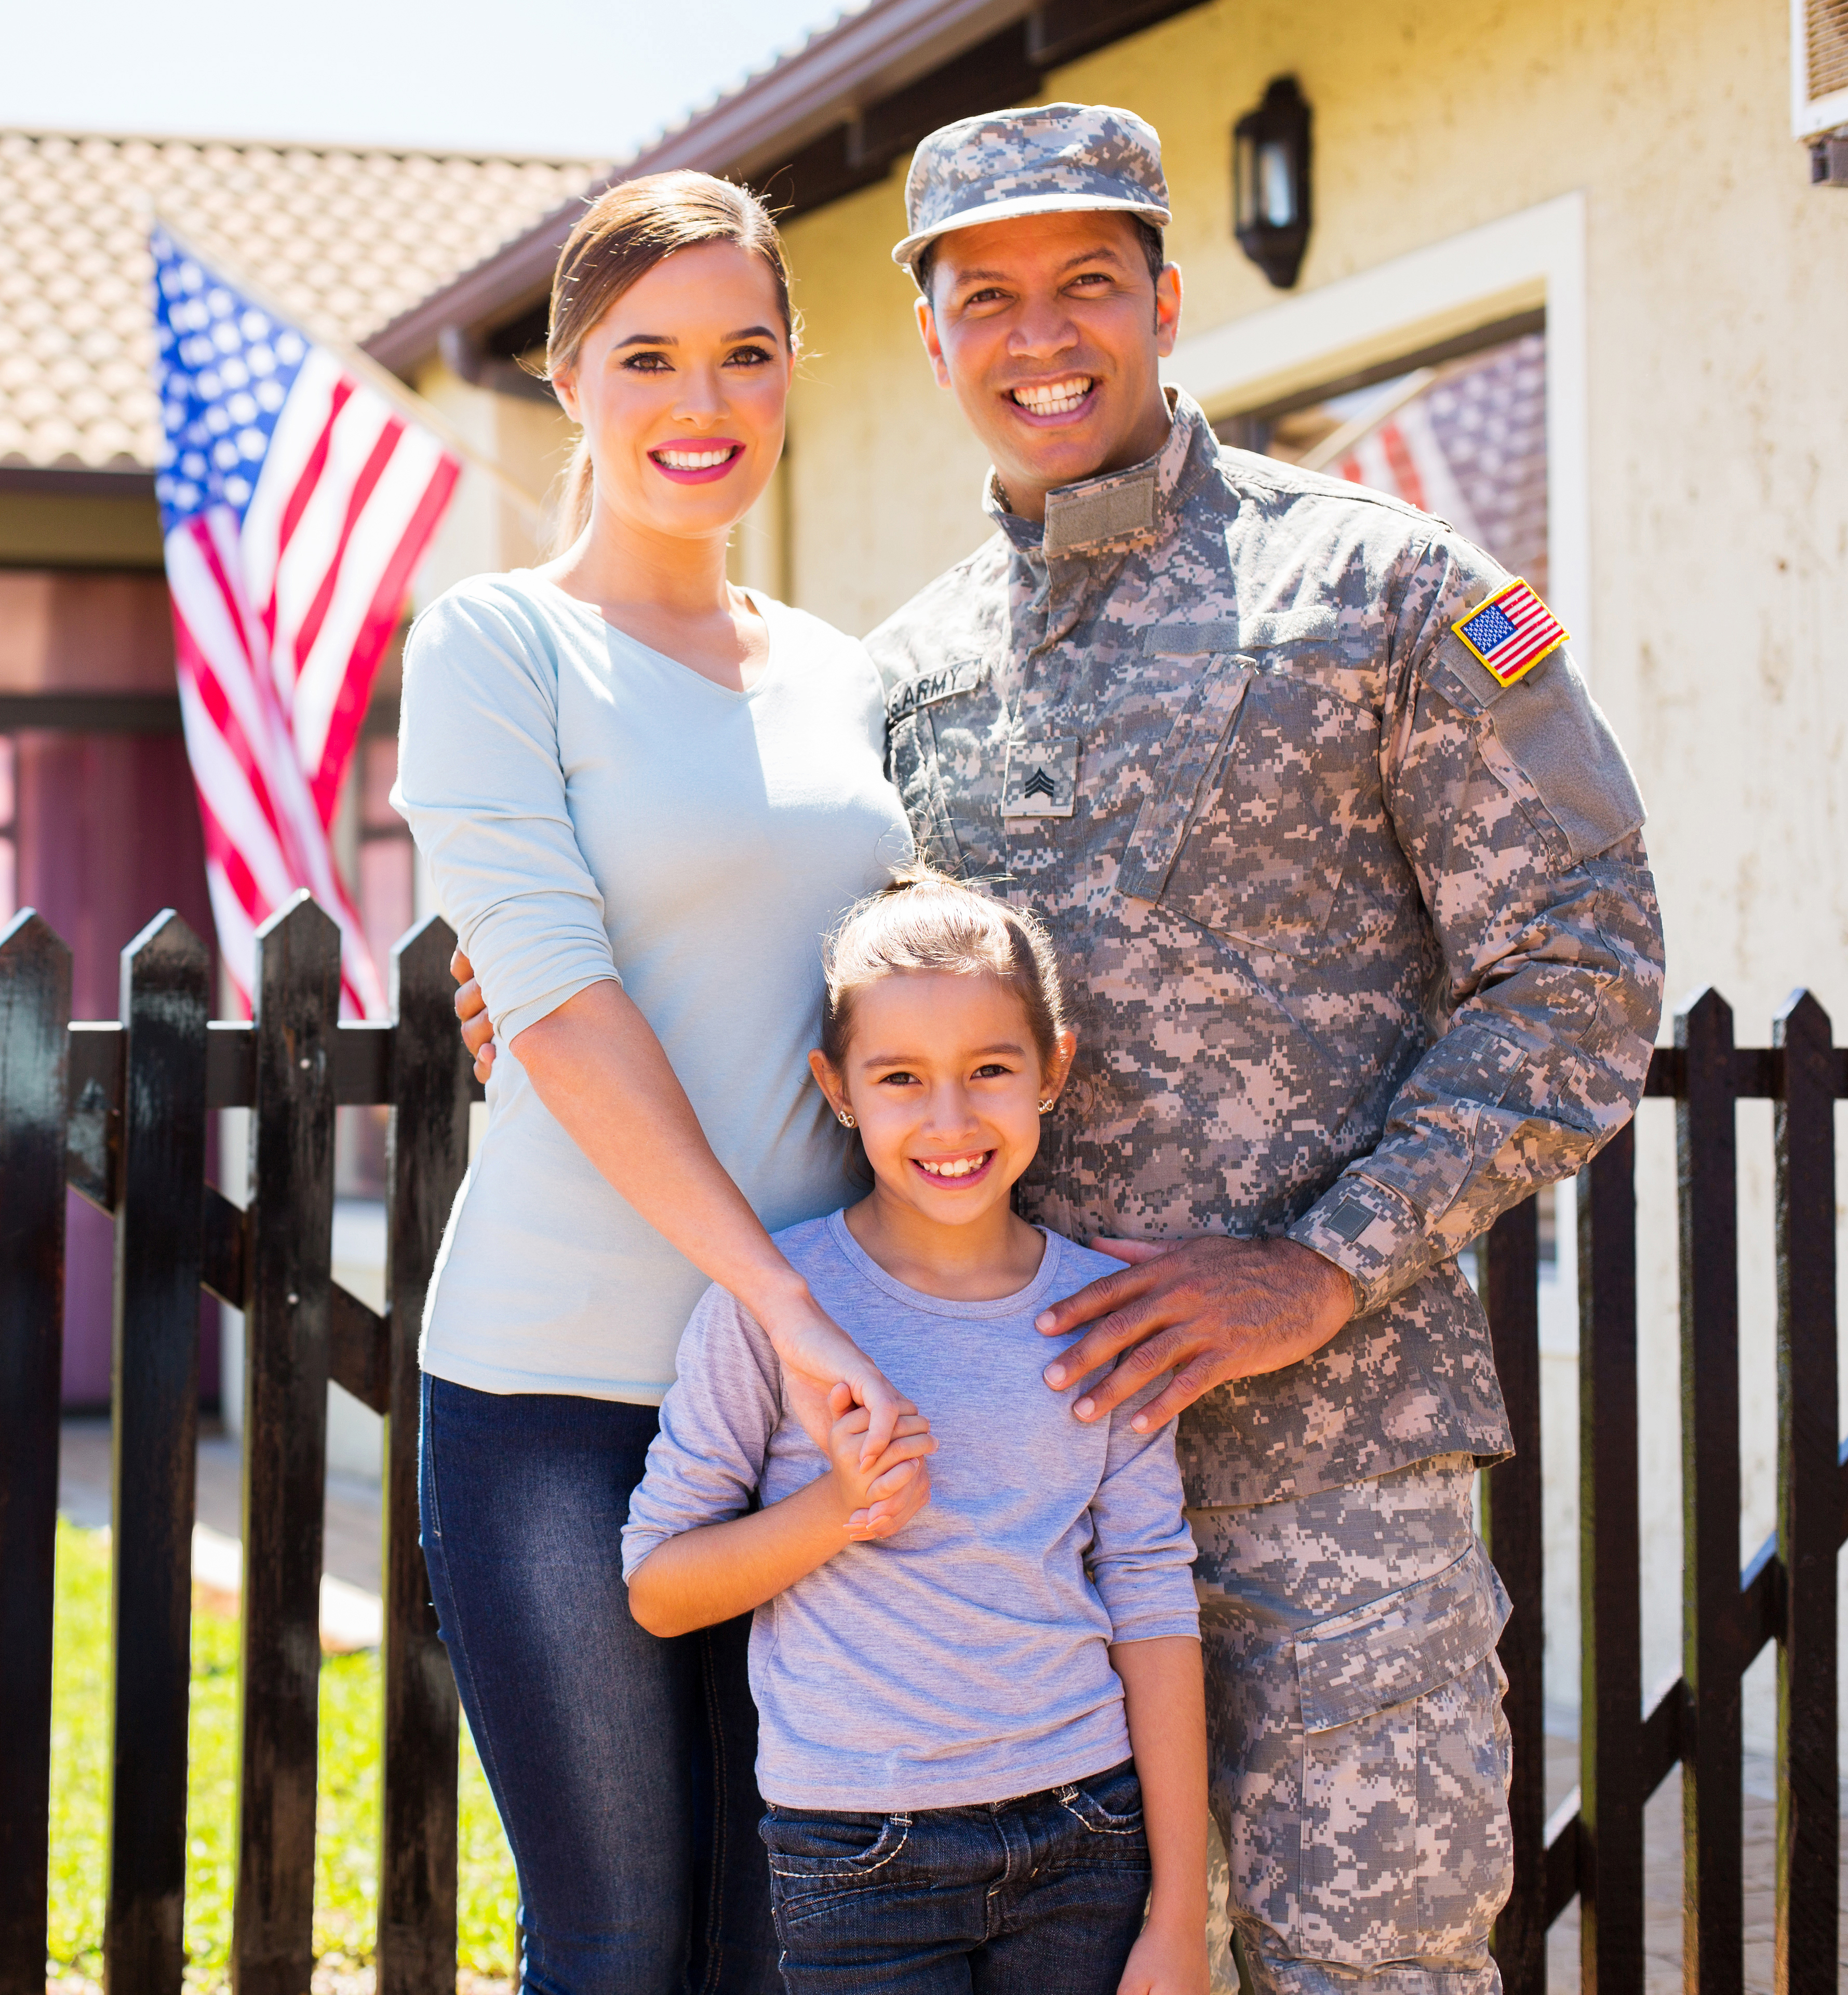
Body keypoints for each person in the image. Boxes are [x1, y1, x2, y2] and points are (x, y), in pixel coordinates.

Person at [456, 105, 1666, 1995]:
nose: (1043, 337)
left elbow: (1584, 970)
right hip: (999, 1516)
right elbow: (823, 978)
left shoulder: (1386, 590)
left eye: (1089, 283)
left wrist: (1318, 1271)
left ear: (1170, 300)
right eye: (987, 297)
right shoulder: (899, 678)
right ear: (930, 344)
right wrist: (523, 987)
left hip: (1330, 1468)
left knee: (1383, 1966)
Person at [390, 169, 919, 1993]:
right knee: (616, 1944)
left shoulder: (853, 681)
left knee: (789, 1938)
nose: (702, 406)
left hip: (805, 1404)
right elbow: (555, 1000)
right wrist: (782, 1298)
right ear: (568, 380)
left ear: (790, 376)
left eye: (745, 356)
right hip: (558, 1392)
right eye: (650, 360)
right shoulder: (497, 647)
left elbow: (890, 999)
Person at [623, 871, 1208, 1995]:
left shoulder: (1098, 1315)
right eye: (900, 1079)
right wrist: (836, 1513)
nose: (951, 1120)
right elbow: (659, 1586)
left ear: (1057, 1069)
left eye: (991, 1069)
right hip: (858, 1853)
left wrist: (1178, 1910)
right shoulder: (779, 1310)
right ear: (834, 1087)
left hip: (1088, 1832)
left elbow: (1149, 1591)